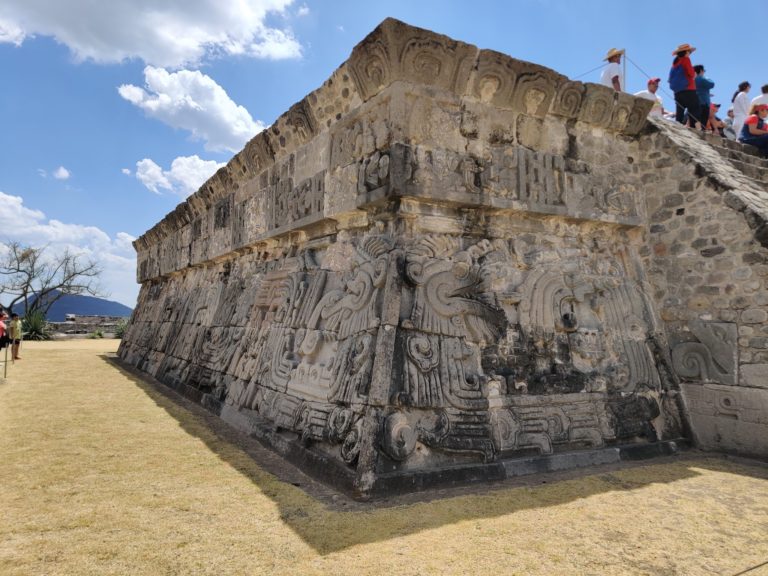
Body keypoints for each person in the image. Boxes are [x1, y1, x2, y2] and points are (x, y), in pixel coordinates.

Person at [668, 43, 699, 126]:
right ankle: (692, 127)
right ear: (686, 52)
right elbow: (691, 74)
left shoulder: (674, 64)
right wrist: (695, 74)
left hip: (677, 91)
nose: (690, 53)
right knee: (694, 108)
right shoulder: (686, 59)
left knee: (680, 110)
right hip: (688, 89)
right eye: (689, 52)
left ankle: (678, 126)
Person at [694, 65, 715, 130]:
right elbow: (712, 84)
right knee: (703, 121)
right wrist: (706, 77)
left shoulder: (693, 79)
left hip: (697, 101)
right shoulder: (701, 78)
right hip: (703, 102)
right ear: (701, 71)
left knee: (697, 120)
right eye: (704, 71)